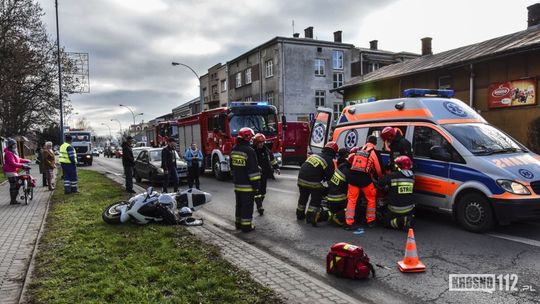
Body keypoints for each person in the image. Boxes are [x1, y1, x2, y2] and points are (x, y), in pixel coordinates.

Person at [345, 135, 383, 229]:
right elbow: (378, 169)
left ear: (367, 141)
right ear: (375, 143)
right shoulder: (373, 152)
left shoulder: (359, 149)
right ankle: (370, 221)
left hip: (352, 177)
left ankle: (348, 223)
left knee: (352, 200)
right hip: (364, 179)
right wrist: (381, 177)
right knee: (371, 198)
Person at [296, 141, 337, 226]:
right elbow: (330, 177)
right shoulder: (329, 160)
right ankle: (310, 217)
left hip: (301, 179)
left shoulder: (315, 155)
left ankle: (299, 215)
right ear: (333, 152)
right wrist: (329, 187)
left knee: (303, 197)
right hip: (313, 181)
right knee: (316, 198)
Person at [230, 127, 260, 232]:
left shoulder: (234, 149)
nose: (252, 139)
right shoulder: (249, 151)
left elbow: (232, 168)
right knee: (247, 206)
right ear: (247, 137)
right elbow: (253, 172)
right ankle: (246, 226)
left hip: (238, 184)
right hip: (247, 186)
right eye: (251, 137)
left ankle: (238, 224)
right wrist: (256, 185)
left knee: (239, 205)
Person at [377, 156, 415, 231]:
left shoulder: (393, 175)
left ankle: (403, 220)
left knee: (386, 224)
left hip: (396, 208)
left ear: (399, 166)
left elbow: (380, 183)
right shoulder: (412, 176)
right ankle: (407, 218)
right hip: (410, 208)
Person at [252, 133, 280, 216]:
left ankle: (260, 202)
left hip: (264, 173)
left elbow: (272, 160)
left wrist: (276, 167)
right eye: (259, 142)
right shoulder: (252, 151)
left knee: (263, 191)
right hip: (255, 174)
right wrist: (256, 166)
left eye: (262, 142)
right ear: (256, 143)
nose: (261, 144)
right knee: (257, 190)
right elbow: (250, 162)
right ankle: (259, 206)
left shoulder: (267, 150)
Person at [326, 148, 352, 226]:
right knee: (353, 205)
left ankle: (320, 215)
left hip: (330, 196)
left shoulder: (340, 165)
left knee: (332, 213)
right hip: (339, 198)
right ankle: (339, 217)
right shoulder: (347, 170)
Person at [2, 138, 31, 204]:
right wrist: (22, 165)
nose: (15, 145)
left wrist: (26, 160)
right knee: (14, 186)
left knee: (15, 185)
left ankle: (13, 200)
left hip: (13, 171)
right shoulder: (8, 153)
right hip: (10, 171)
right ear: (11, 145)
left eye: (15, 144)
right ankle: (13, 201)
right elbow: (13, 163)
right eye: (14, 144)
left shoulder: (13, 152)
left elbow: (18, 159)